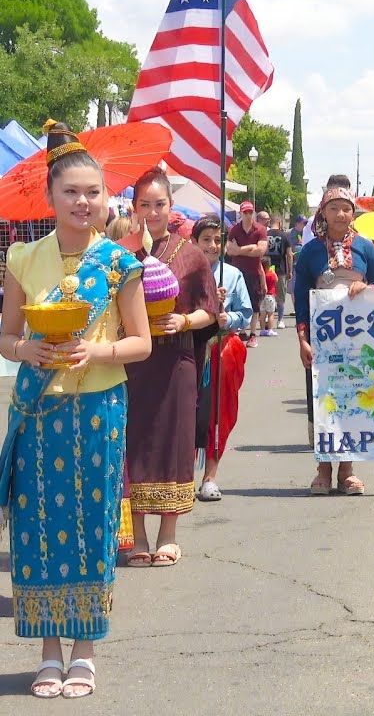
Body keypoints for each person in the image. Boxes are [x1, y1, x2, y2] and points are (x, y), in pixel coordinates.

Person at [0, 121, 150, 699]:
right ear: (50, 197)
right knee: (36, 532)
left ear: (105, 196)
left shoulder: (118, 263)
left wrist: (99, 349)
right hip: (38, 414)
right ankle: (46, 651)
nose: (83, 202)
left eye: (93, 192)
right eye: (71, 192)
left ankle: (84, 650)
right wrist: (25, 349)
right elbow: (6, 335)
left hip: (97, 410)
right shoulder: (23, 258)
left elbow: (141, 342)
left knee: (90, 528)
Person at [121, 168, 218, 569]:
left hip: (176, 359)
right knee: (135, 443)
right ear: (133, 207)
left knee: (173, 442)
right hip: (133, 364)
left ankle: (169, 535)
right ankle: (138, 535)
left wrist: (184, 321)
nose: (152, 212)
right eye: (145, 205)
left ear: (170, 207)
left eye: (159, 205)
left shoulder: (190, 254)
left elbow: (210, 310)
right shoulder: (120, 252)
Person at [294, 186, 374, 495]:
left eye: (346, 208)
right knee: (324, 401)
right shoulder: (309, 252)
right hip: (323, 343)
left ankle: (347, 470)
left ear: (353, 213)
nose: (340, 214)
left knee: (355, 400)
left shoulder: (366, 247)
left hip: (359, 341)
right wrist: (303, 340)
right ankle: (322, 470)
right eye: (334, 208)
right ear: (323, 212)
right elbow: (301, 300)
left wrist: (367, 288)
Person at [192, 218, 252, 503]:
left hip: (222, 350)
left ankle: (210, 477)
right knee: (188, 414)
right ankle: (181, 477)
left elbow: (246, 312)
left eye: (217, 240)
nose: (212, 246)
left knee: (218, 415)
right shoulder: (183, 271)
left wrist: (231, 318)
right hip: (190, 350)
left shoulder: (233, 274)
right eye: (206, 239)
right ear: (194, 242)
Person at [226, 201, 268, 347]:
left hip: (253, 272)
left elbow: (260, 250)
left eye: (250, 212)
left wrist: (240, 250)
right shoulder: (234, 230)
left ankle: (253, 334)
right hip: (237, 273)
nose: (248, 215)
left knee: (254, 304)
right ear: (241, 214)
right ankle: (241, 331)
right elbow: (229, 250)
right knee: (238, 302)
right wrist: (250, 248)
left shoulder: (260, 229)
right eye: (245, 212)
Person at [266, 215, 291, 327]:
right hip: (280, 269)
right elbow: (289, 255)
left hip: (266, 268)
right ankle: (280, 320)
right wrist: (290, 270)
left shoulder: (265, 235)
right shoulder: (285, 236)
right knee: (281, 296)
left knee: (266, 294)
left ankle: (266, 317)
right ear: (280, 223)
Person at [260, 256, 279, 335]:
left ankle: (263, 330)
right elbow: (276, 280)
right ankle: (270, 329)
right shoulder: (271, 274)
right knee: (271, 314)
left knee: (262, 314)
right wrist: (273, 272)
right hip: (270, 296)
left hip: (262, 296)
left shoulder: (261, 275)